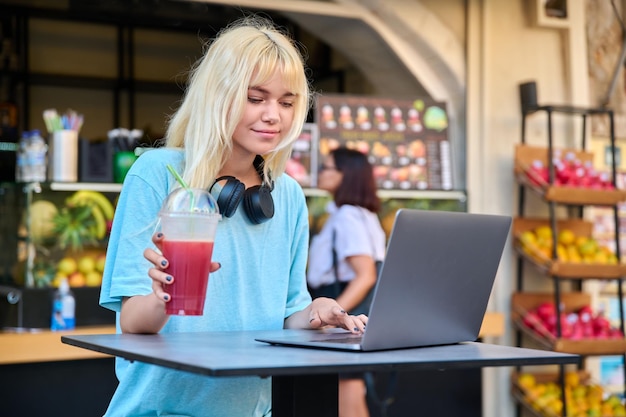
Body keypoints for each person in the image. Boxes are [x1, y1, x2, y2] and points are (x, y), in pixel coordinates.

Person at [99, 16, 367, 417]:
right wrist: (162, 297)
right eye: (256, 98)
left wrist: (318, 313)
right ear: (217, 96)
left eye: (287, 102)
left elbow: (288, 315)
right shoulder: (157, 174)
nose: (274, 115)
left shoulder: (288, 195)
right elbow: (135, 323)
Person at [307, 146, 387, 417]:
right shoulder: (363, 214)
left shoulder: (347, 216)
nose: (321, 173)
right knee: (351, 388)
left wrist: (334, 315)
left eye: (326, 167)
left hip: (344, 308)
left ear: (346, 175)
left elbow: (365, 275)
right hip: (356, 312)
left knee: (347, 389)